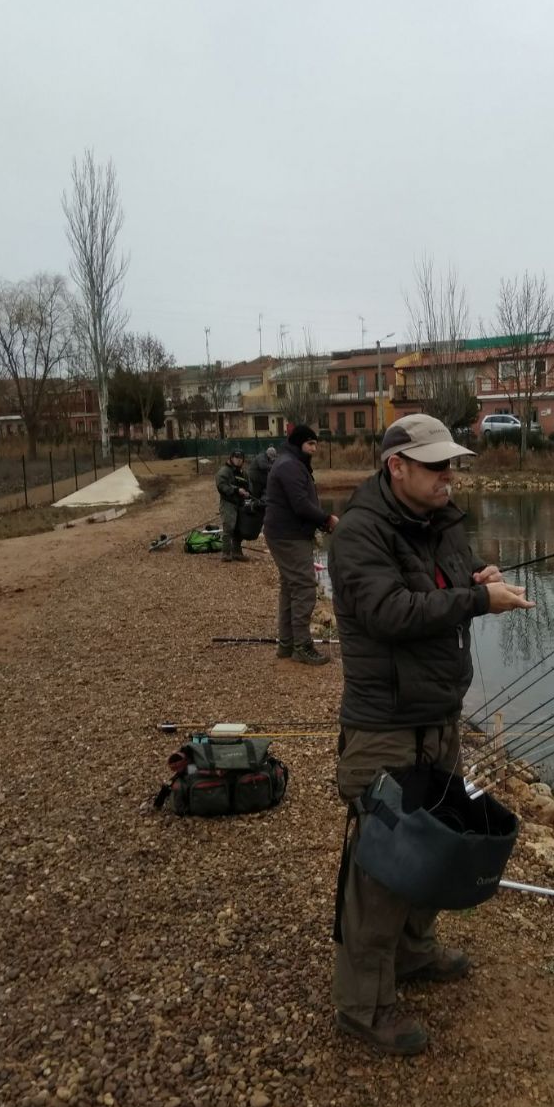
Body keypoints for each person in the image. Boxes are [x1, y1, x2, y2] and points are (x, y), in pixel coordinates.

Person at [327, 413, 534, 1056]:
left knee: (437, 846)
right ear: (397, 467)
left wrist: (477, 581)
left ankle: (415, 952)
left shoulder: (442, 522)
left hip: (439, 715)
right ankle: (363, 1005)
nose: (450, 476)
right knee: (383, 869)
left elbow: (446, 584)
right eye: (437, 465)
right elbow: (389, 612)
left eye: (452, 465)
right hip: (385, 725)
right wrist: (475, 602)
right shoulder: (359, 533)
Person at [264, 424, 339, 665]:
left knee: (290, 588)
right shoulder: (290, 465)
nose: (314, 449)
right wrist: (326, 519)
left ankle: (286, 645)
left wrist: (320, 523)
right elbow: (300, 504)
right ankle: (302, 646)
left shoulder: (292, 462)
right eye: (310, 444)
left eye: (316, 444)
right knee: (304, 587)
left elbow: (301, 502)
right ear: (299, 444)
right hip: (289, 536)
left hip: (286, 533)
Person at [215, 448, 252, 563]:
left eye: (240, 458)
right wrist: (236, 490)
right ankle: (226, 553)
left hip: (240, 504)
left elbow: (249, 486)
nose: (238, 460)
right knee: (229, 527)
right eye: (236, 457)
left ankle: (237, 553)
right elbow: (221, 486)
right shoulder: (224, 471)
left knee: (239, 528)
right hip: (228, 503)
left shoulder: (243, 473)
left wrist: (248, 493)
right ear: (231, 458)